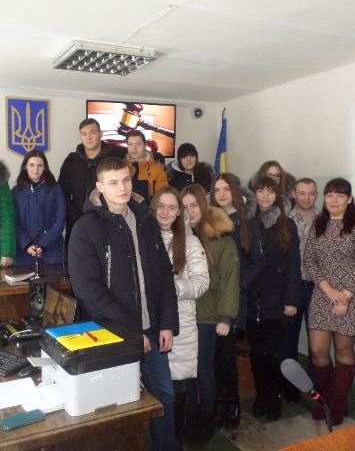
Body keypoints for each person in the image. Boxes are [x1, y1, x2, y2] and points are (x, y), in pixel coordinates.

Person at [68, 157, 180, 451]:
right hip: (113, 334)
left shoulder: (145, 220)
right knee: (118, 411)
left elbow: (164, 275)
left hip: (152, 329)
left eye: (126, 180)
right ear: (100, 187)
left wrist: (167, 322)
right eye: (114, 182)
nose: (122, 188)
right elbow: (89, 292)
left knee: (164, 398)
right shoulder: (85, 229)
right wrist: (132, 333)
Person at [305, 178, 355, 425]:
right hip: (323, 294)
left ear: (349, 199)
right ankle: (331, 400)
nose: (334, 200)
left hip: (351, 297)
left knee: (344, 349)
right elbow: (309, 260)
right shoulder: (318, 224)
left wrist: (344, 296)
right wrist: (328, 290)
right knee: (318, 351)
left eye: (340, 195)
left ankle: (338, 404)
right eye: (330, 195)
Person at [150, 186, 209, 447]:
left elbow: (202, 282)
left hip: (181, 323)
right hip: (150, 322)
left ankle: (176, 440)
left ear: (179, 213)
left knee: (178, 387)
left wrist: (170, 287)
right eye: (161, 206)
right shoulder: (144, 236)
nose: (165, 212)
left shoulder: (190, 241)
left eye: (171, 207)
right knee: (156, 388)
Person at [180, 184, 239, 445]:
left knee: (203, 366)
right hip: (183, 314)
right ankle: (190, 413)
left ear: (204, 207)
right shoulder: (178, 236)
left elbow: (229, 280)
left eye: (194, 205)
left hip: (208, 314)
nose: (190, 211)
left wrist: (226, 317)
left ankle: (206, 416)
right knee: (187, 368)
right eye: (184, 207)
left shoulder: (221, 240)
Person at [209, 173, 267, 429]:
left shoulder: (247, 222)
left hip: (234, 300)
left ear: (236, 191)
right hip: (208, 299)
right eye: (217, 189)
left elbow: (258, 262)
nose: (221, 194)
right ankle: (218, 401)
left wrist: (238, 285)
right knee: (212, 356)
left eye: (226, 189)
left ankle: (232, 403)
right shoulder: (207, 219)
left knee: (225, 356)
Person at [247, 176, 301, 420]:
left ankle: (273, 399)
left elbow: (293, 265)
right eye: (261, 191)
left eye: (270, 191)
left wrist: (291, 299)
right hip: (252, 299)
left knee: (274, 354)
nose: (265, 196)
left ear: (277, 195)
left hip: (276, 299)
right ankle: (262, 395)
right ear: (254, 194)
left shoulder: (286, 224)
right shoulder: (248, 222)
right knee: (256, 353)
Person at [284, 177, 320, 401]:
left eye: (311, 193)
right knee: (289, 340)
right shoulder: (285, 221)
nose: (306, 198)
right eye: (302, 193)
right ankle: (291, 387)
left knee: (317, 344)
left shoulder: (325, 221)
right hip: (292, 289)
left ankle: (314, 387)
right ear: (293, 195)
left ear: (317, 195)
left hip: (318, 288)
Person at [59, 118, 113, 247]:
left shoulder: (113, 161)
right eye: (84, 134)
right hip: (76, 224)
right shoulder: (71, 161)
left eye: (92, 132)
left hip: (105, 224)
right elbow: (61, 192)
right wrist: (75, 216)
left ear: (100, 134)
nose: (88, 137)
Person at [12, 150, 66, 267]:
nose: (35, 169)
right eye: (31, 165)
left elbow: (61, 219)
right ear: (25, 166)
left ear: (44, 167)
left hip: (52, 254)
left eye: (39, 165)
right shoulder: (16, 192)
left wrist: (44, 244)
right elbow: (13, 222)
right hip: (25, 255)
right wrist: (26, 245)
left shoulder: (55, 189)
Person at [124, 130, 169, 203]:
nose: (134, 148)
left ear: (145, 145)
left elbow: (163, 200)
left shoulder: (158, 172)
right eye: (130, 144)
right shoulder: (120, 169)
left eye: (138, 144)